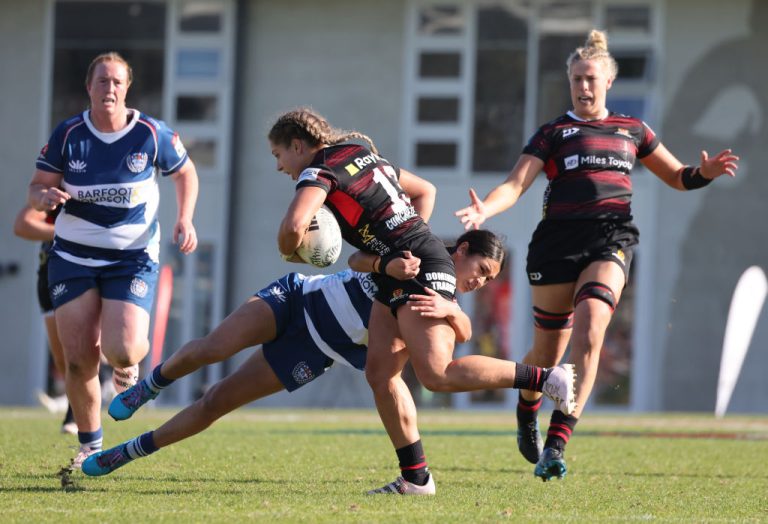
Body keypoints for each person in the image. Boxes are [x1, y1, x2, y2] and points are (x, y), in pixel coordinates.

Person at [455, 30, 738, 481]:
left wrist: (702, 173)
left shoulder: (633, 130)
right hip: (556, 245)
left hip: (611, 239)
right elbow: (516, 184)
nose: (583, 87)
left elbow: (678, 177)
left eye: (591, 79)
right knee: (548, 353)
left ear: (608, 81)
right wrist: (485, 207)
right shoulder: (553, 133)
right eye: (576, 79)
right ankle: (527, 406)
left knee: (590, 332)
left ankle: (556, 443)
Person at [268, 108, 575, 495]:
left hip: (420, 264)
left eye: (279, 155)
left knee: (436, 373)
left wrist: (288, 251)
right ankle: (415, 478)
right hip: (398, 270)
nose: (280, 166)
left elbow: (293, 228)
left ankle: (545, 378)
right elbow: (423, 190)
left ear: (298, 146)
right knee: (380, 374)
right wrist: (397, 248)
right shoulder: (359, 152)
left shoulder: (320, 171)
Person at [80, 230, 531, 479]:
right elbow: (357, 257)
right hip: (298, 299)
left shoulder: (442, 296)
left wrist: (455, 311)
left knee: (217, 401)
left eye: (489, 281)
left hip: (316, 349)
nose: (481, 282)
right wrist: (383, 264)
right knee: (214, 347)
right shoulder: (419, 249)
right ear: (463, 249)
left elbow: (460, 341)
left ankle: (128, 453)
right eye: (483, 271)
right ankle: (151, 384)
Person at [27, 51, 199, 468]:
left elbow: (185, 172)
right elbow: (36, 187)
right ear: (89, 87)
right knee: (79, 357)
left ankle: (127, 364)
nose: (110, 88)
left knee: (122, 350)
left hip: (132, 256)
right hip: (72, 255)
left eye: (117, 82)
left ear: (127, 88)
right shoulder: (69, 134)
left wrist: (185, 219)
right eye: (102, 81)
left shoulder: (150, 133)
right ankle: (89, 447)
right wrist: (45, 196)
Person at [13, 204, 77, 435]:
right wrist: (65, 231)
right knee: (61, 357)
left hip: (84, 274)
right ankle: (78, 402)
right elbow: (22, 225)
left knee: (80, 349)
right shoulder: (55, 190)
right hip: (49, 273)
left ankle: (77, 414)